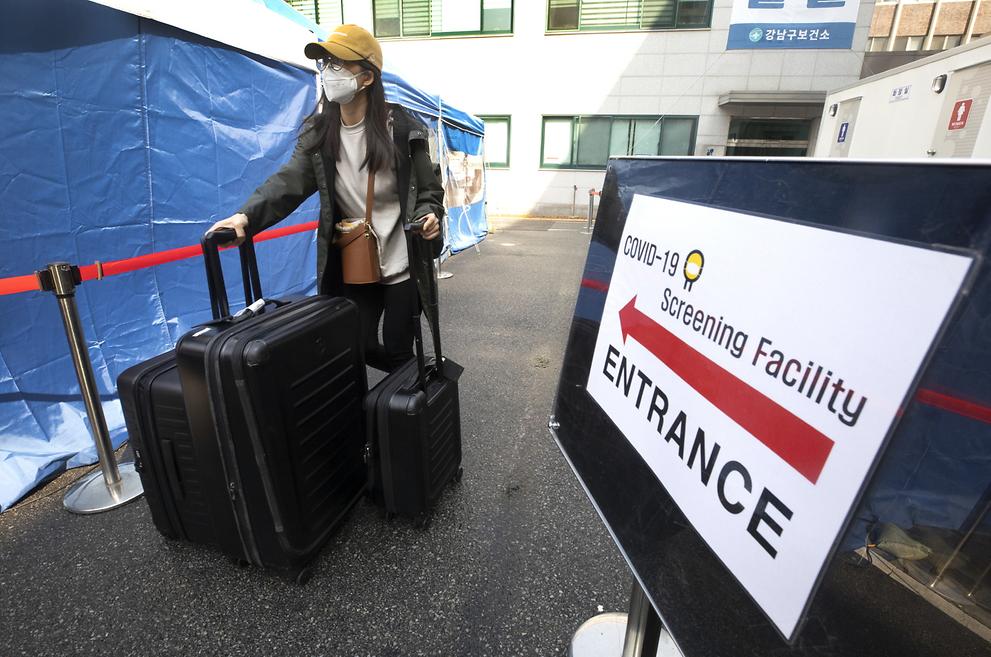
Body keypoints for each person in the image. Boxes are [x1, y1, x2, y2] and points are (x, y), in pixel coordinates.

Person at [209, 24, 444, 372]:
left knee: (397, 349)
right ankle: (395, 397)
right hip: (356, 260)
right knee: (357, 346)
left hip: (402, 263)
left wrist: (428, 215)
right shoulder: (320, 134)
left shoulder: (402, 129)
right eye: (325, 63)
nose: (328, 71)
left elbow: (428, 190)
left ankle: (406, 412)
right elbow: (288, 181)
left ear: (366, 78)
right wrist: (246, 218)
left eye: (338, 63)